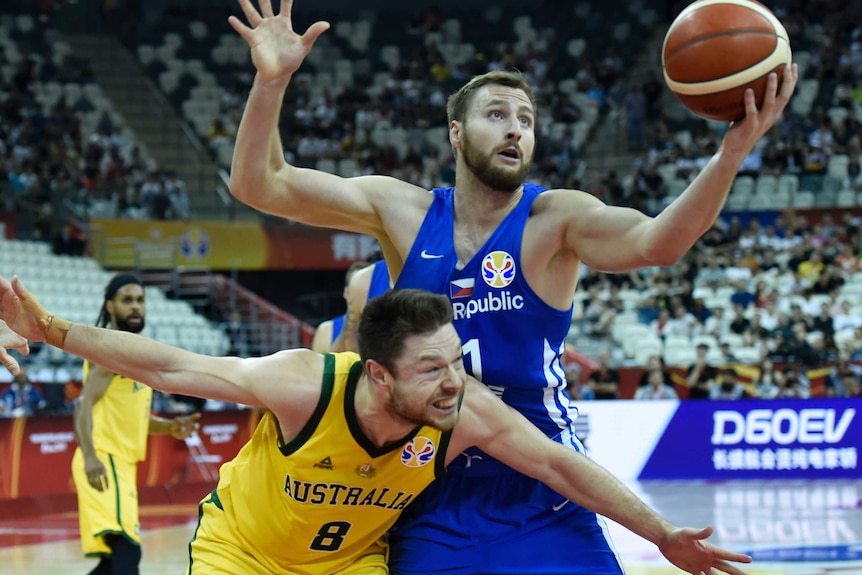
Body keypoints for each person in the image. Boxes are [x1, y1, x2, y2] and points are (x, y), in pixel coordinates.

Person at [224, 1, 797, 572]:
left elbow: (658, 244)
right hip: (428, 490)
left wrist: (731, 154)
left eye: (525, 120)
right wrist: (271, 82)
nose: (515, 130)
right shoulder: (402, 211)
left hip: (544, 485)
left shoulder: (556, 218)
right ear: (456, 132)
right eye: (496, 115)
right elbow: (259, 185)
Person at [0, 277, 754, 575]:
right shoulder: (304, 384)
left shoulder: (464, 412)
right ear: (378, 373)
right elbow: (169, 365)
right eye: (433, 369)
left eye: (455, 361)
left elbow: (562, 466)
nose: (454, 380)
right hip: (245, 552)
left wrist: (659, 533)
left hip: (350, 562)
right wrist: (56, 328)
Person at [70, 273, 201, 575]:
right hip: (104, 459)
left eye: (140, 300)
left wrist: (169, 428)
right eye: (126, 300)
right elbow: (83, 406)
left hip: (120, 463)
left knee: (112, 562)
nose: (135, 307)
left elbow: (135, 417)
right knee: (128, 552)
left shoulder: (132, 351)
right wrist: (90, 456)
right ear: (110, 305)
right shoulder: (109, 351)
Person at [311, 261, 371, 353]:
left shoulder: (388, 329)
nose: (362, 293)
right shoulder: (326, 331)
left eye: (367, 288)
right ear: (346, 293)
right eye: (357, 288)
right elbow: (320, 367)